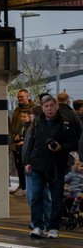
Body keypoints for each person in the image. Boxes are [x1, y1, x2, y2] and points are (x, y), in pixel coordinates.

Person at [24, 93, 76, 239]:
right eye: (46, 106)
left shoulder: (65, 122)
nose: (49, 109)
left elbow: (73, 143)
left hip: (56, 166)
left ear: (56, 106)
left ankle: (53, 227)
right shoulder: (37, 122)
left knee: (56, 198)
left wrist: (61, 147)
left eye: (52, 106)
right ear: (42, 108)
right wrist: (27, 162)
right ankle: (38, 226)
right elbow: (31, 143)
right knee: (36, 196)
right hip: (38, 165)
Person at [10, 89, 34, 196]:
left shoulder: (33, 109)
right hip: (16, 143)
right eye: (19, 97)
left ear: (27, 97)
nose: (20, 98)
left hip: (26, 143)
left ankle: (26, 187)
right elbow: (13, 124)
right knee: (18, 166)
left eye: (22, 97)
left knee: (26, 166)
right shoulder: (16, 110)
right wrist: (14, 134)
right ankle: (21, 185)